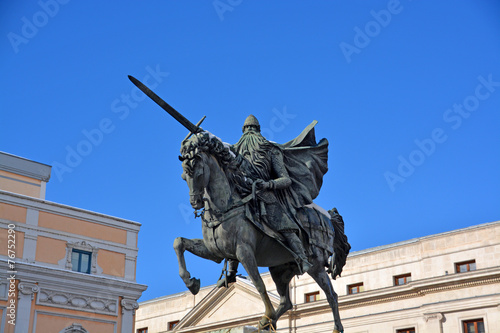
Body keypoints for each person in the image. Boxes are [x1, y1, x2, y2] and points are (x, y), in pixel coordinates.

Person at [217, 115, 314, 287]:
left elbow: (286, 179)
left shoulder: (271, 150)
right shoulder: (234, 150)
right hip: (243, 195)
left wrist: (268, 184)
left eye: (251, 129)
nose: (249, 133)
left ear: (258, 131)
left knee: (285, 226)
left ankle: (302, 257)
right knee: (231, 225)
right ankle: (231, 271)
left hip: (266, 195)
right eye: (248, 130)